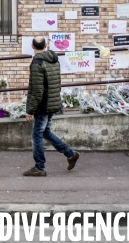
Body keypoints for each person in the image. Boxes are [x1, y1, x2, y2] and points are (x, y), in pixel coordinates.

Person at [22, 36, 79, 177]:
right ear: (46, 45)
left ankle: (39, 167)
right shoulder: (54, 59)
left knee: (36, 135)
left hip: (43, 104)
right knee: (45, 132)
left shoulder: (37, 63)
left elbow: (37, 90)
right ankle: (70, 154)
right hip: (53, 101)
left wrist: (30, 110)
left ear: (32, 46)